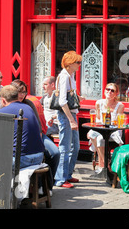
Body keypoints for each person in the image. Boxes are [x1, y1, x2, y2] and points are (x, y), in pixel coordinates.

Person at [11, 79, 60, 192]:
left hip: (37, 136)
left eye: (24, 92)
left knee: (55, 153)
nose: (22, 95)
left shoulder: (29, 104)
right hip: (19, 139)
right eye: (19, 92)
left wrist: (38, 141)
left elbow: (38, 125)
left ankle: (47, 186)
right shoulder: (8, 103)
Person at [54, 51, 84, 188]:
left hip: (72, 114)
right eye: (77, 62)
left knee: (75, 146)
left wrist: (78, 99)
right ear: (70, 63)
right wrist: (71, 119)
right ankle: (60, 179)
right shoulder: (64, 76)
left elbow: (70, 96)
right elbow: (62, 102)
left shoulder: (71, 76)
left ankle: (68, 174)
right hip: (67, 116)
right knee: (65, 147)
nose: (79, 65)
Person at [0, 85, 44, 169]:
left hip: (20, 159)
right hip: (39, 156)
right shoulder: (28, 107)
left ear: (3, 100)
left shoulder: (2, 111)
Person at [87, 82, 124, 176]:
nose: (109, 92)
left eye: (112, 90)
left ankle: (102, 165)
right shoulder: (99, 103)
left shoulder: (120, 105)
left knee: (99, 138)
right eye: (108, 89)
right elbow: (97, 119)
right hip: (100, 128)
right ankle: (106, 164)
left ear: (116, 94)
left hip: (113, 131)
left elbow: (117, 122)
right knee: (92, 134)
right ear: (104, 91)